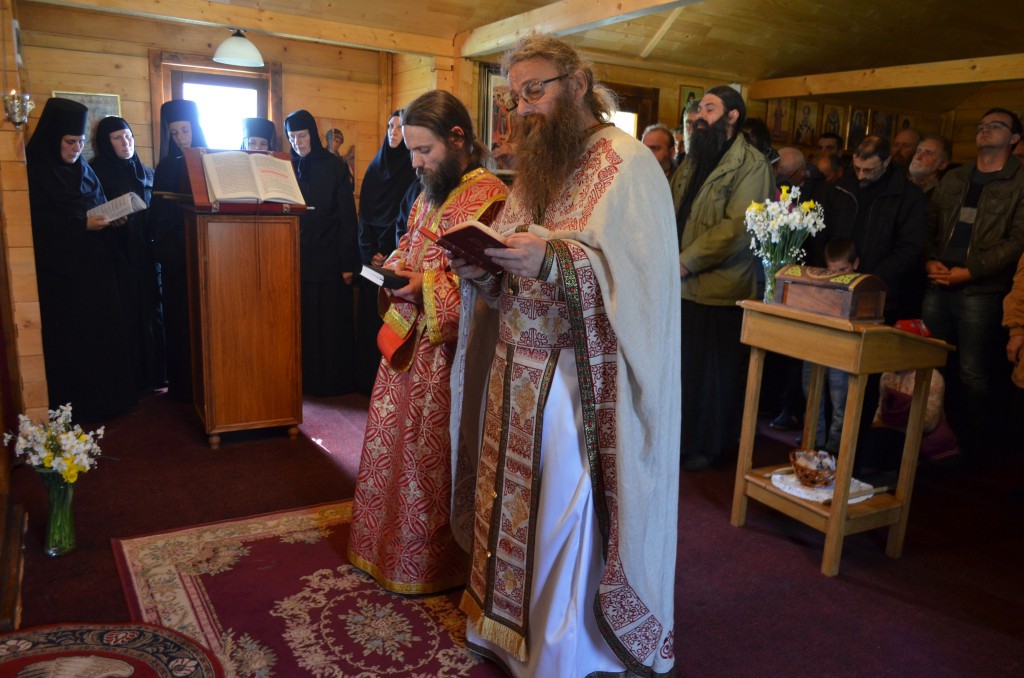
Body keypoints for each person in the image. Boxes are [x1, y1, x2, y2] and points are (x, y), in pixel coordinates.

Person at [449, 34, 679, 677]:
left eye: (535, 90)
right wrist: (485, 267)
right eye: (515, 96)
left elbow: (641, 286)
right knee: (512, 504)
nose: (523, 108)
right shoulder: (539, 164)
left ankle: (563, 650)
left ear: (577, 84)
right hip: (515, 368)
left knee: (561, 512)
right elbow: (517, 258)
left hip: (577, 381)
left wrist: (554, 260)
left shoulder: (629, 164)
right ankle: (505, 633)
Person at [347, 91, 507, 594]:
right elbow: (410, 244)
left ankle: (431, 564)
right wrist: (394, 269)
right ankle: (384, 547)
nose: (414, 162)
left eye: (423, 150)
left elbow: (491, 284)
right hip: (407, 344)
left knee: (428, 461)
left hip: (446, 355)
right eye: (411, 150)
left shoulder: (492, 197)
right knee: (394, 450)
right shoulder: (429, 192)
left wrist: (426, 286)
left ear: (457, 139)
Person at [671, 85, 773, 471]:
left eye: (709, 109)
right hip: (680, 284)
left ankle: (706, 446)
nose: (700, 116)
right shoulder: (694, 158)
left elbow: (738, 228)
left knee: (712, 376)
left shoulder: (752, 165)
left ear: (732, 116)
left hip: (720, 288)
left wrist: (686, 261)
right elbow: (673, 206)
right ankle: (679, 440)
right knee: (683, 371)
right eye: (699, 109)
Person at [26, 97, 136, 421]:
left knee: (102, 338)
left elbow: (96, 204)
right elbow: (37, 225)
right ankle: (79, 409)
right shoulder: (35, 172)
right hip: (62, 277)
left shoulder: (84, 169)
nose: (76, 149)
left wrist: (113, 219)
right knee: (75, 342)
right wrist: (81, 225)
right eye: (70, 142)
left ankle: (108, 402)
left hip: (97, 268)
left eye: (81, 142)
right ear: (54, 139)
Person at [923, 107, 1024, 456]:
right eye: (981, 125)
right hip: (938, 279)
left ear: (1014, 138)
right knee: (929, 361)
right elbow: (929, 222)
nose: (985, 130)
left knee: (972, 371)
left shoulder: (1019, 181)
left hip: (980, 287)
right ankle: (930, 433)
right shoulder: (956, 177)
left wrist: (972, 271)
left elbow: (1017, 241)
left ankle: (972, 444)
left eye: (996, 126)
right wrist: (929, 259)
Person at [285, 109, 360, 396]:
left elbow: (347, 218)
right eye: (292, 137)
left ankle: (331, 382)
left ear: (313, 135)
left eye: (302, 136)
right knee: (305, 323)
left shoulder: (335, 167)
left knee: (329, 323)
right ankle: (306, 381)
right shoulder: (287, 167)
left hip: (330, 259)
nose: (297, 143)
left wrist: (347, 263)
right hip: (300, 260)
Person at [90, 116, 164, 392]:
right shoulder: (96, 172)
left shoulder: (145, 171)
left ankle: (157, 374)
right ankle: (132, 379)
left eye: (129, 136)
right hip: (116, 254)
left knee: (152, 311)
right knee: (128, 314)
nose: (126, 143)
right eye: (117, 138)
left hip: (146, 252)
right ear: (105, 142)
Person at [353, 110, 418, 395]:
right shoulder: (375, 167)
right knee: (369, 319)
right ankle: (365, 381)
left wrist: (385, 250)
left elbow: (403, 218)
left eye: (400, 127)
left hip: (396, 257)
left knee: (390, 321)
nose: (393, 132)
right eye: (390, 127)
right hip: (371, 259)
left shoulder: (412, 172)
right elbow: (364, 214)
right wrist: (368, 251)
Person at [149, 99, 208, 402]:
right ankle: (183, 386)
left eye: (185, 130)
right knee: (180, 321)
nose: (181, 138)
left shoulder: (210, 160)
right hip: (176, 257)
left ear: (194, 129)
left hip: (207, 254)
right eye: (175, 133)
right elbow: (158, 214)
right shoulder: (164, 167)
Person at [802, 239, 859, 453]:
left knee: (840, 398)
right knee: (811, 393)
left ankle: (834, 449)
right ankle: (813, 444)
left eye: (842, 270)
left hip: (842, 348)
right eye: (832, 271)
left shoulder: (860, 288)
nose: (837, 276)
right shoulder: (820, 287)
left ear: (855, 264)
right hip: (816, 344)